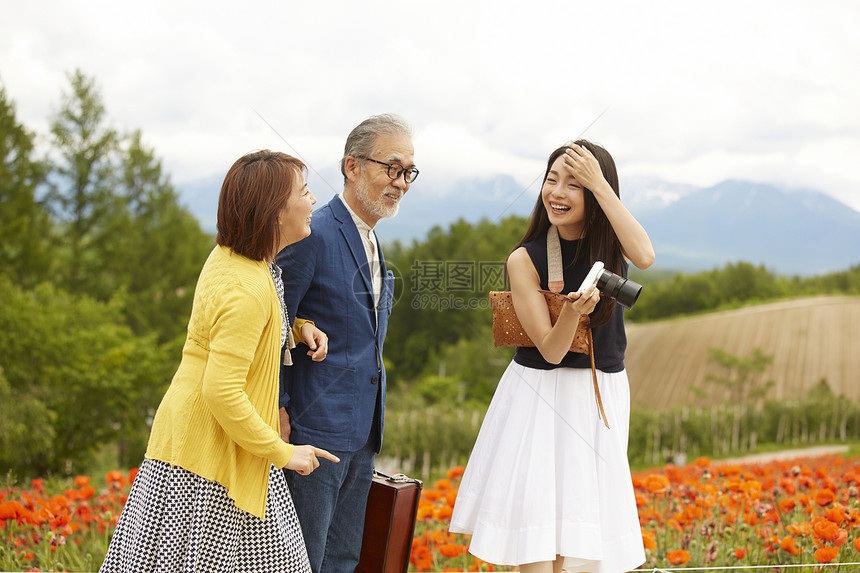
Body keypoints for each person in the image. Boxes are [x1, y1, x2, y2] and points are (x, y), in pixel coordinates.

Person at [100, 150, 339, 573]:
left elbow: (238, 325)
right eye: (304, 192)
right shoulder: (245, 287)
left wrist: (296, 326)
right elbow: (221, 389)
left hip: (203, 443)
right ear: (274, 213)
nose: (314, 200)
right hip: (208, 455)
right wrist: (282, 452)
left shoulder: (238, 259)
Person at [449, 140, 655, 573]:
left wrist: (601, 184)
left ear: (597, 195)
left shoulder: (611, 245)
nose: (557, 192)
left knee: (582, 535)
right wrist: (573, 315)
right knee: (538, 536)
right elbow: (551, 349)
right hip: (541, 393)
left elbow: (646, 256)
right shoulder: (525, 258)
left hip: (598, 393)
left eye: (574, 184)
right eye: (551, 180)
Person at [275, 114, 417, 572]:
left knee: (344, 560)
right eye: (391, 168)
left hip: (362, 434)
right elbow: (273, 324)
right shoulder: (312, 234)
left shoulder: (373, 243)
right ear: (352, 166)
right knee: (303, 561)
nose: (401, 182)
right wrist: (278, 411)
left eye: (408, 172)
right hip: (311, 433)